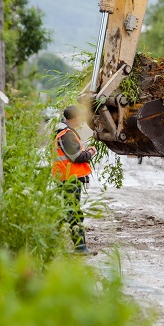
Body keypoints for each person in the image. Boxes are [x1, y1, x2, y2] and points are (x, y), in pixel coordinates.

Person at [52, 105, 97, 253]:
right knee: (74, 213)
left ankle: (53, 242)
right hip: (70, 179)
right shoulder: (66, 134)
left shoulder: (62, 131)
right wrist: (91, 152)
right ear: (76, 118)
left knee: (66, 211)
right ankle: (80, 247)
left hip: (65, 177)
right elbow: (77, 157)